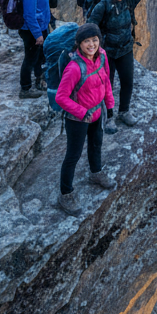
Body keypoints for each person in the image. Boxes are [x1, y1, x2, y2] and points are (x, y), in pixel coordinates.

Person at [88, 0, 157, 126]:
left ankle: (124, 112)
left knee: (127, 82)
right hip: (107, 52)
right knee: (107, 86)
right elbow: (91, 26)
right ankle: (108, 117)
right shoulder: (103, 5)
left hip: (125, 49)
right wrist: (95, 49)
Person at [55, 23, 115, 215]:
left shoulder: (102, 56)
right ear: (79, 44)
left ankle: (95, 173)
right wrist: (82, 112)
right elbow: (60, 97)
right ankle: (65, 194)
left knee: (96, 144)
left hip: (97, 112)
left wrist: (110, 105)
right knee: (73, 156)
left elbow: (105, 81)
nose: (92, 45)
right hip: (78, 119)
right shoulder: (74, 68)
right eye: (87, 41)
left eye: (95, 40)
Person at [19, 0, 52, 99]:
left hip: (41, 27)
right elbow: (29, 14)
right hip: (31, 30)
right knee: (30, 58)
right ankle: (25, 89)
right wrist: (38, 34)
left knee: (40, 56)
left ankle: (39, 80)